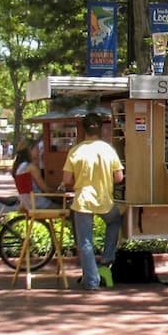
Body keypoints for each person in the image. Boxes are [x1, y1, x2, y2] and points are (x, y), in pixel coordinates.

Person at [61, 114, 124, 291]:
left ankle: (92, 281)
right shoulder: (108, 149)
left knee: (85, 243)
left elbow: (66, 179)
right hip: (104, 199)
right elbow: (119, 177)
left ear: (83, 130)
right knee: (115, 221)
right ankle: (107, 259)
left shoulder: (75, 151)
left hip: (82, 201)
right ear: (101, 130)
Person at [13, 140, 58, 209]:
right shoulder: (31, 167)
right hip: (38, 203)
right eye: (37, 149)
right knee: (69, 209)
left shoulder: (20, 166)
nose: (39, 151)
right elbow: (45, 189)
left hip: (28, 202)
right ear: (29, 150)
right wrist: (57, 192)